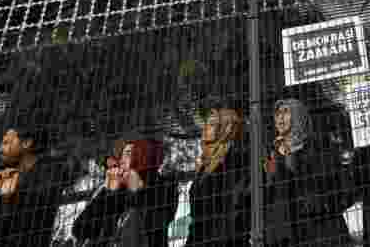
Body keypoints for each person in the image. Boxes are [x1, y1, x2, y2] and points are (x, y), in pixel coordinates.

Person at [264, 98, 353, 247]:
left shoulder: (319, 148)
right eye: (277, 113)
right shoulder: (270, 152)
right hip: (286, 235)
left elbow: (339, 189)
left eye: (286, 112)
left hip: (322, 230)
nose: (280, 117)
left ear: (298, 115)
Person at [72, 138, 178, 247]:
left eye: (128, 153)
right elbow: (79, 229)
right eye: (122, 154)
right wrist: (108, 191)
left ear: (143, 156)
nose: (121, 159)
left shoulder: (165, 185)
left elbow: (157, 222)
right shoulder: (119, 188)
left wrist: (137, 192)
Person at [0, 124, 61, 247]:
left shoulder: (50, 174)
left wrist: (9, 197)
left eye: (6, 143)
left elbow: (36, 217)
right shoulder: (0, 176)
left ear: (26, 143)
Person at [185, 104, 251, 246]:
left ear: (225, 130)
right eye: (207, 124)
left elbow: (234, 207)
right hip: (197, 238)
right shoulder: (204, 166)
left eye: (212, 124)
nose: (205, 128)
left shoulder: (235, 163)